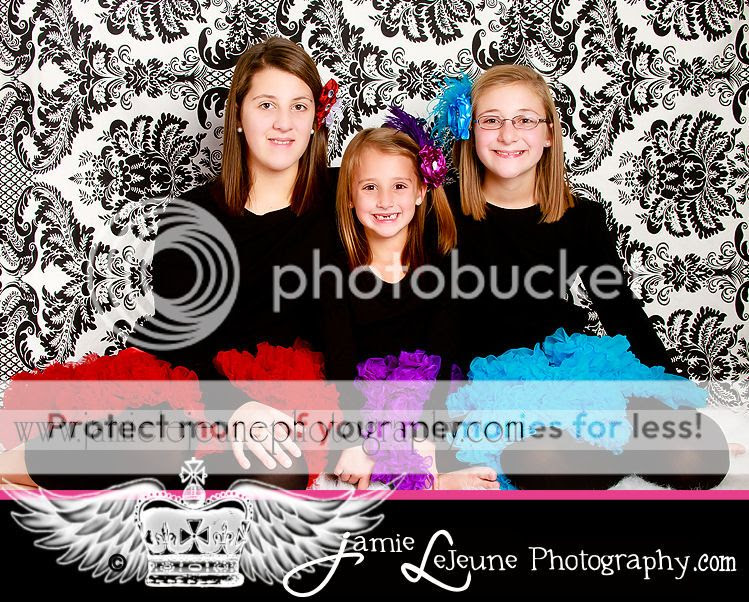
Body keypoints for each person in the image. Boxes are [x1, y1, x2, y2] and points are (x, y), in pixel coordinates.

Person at [15, 37, 339, 491]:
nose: (284, 123)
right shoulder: (192, 215)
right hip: (199, 381)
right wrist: (235, 408)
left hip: (293, 394)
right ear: (238, 116)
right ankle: (18, 464)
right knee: (156, 442)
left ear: (315, 118)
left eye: (299, 107)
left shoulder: (345, 200)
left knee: (278, 468)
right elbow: (184, 340)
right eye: (267, 105)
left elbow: (416, 221)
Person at [435, 64, 729, 489]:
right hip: (491, 386)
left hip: (572, 368)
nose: (508, 135)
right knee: (546, 462)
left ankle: (612, 441)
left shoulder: (581, 216)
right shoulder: (440, 211)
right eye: (492, 120)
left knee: (699, 457)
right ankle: (604, 450)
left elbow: (619, 307)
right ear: (469, 129)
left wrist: (673, 394)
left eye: (525, 120)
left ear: (549, 133)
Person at [317, 116, 498, 490]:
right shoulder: (334, 274)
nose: (385, 201)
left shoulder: (442, 268)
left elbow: (444, 359)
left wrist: (426, 441)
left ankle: (432, 475)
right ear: (349, 197)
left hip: (429, 402)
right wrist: (355, 438)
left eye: (399, 186)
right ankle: (423, 478)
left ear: (420, 191)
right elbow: (339, 366)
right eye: (370, 187)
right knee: (342, 446)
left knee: (464, 422)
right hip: (361, 402)